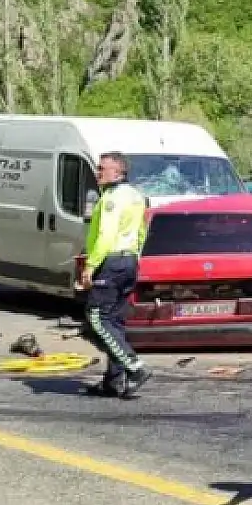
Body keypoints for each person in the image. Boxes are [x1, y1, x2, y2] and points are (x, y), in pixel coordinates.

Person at [79, 151, 152, 399]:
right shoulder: (136, 195)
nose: (97, 172)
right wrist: (135, 258)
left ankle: (134, 367)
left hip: (111, 261)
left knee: (97, 318)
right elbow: (142, 231)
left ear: (118, 172)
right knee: (115, 322)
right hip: (128, 260)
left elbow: (106, 235)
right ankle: (113, 380)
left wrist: (90, 266)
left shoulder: (112, 197)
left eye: (102, 168)